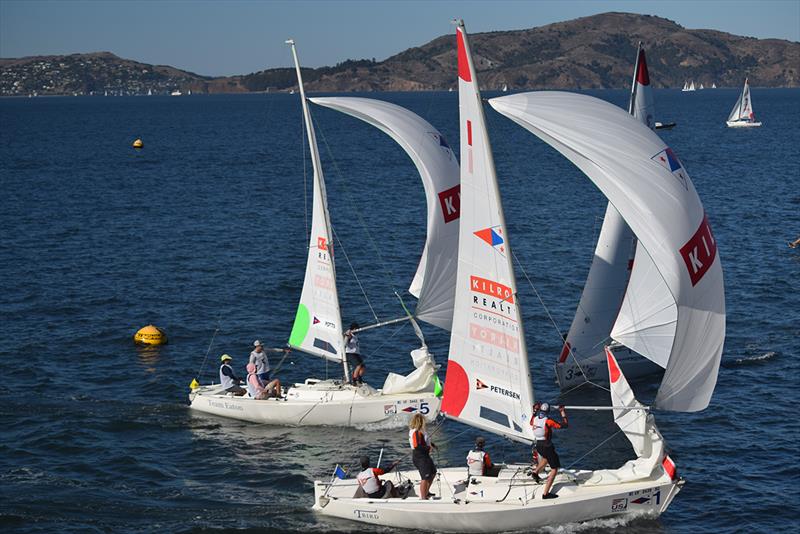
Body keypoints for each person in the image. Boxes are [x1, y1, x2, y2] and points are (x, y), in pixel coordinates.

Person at [530, 403, 568, 499]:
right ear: (548, 411)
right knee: (554, 469)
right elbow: (564, 425)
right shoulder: (548, 421)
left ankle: (535, 473)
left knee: (546, 458)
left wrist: (534, 410)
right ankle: (546, 494)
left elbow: (531, 421)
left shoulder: (534, 419)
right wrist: (562, 412)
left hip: (538, 445)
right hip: (547, 446)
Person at [408, 413, 437, 499]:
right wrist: (428, 448)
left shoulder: (420, 431)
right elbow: (417, 445)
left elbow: (423, 441)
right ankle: (423, 497)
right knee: (425, 477)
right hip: (420, 456)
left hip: (424, 456)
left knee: (433, 472)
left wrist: (432, 445)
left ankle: (427, 492)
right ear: (420, 421)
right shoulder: (416, 432)